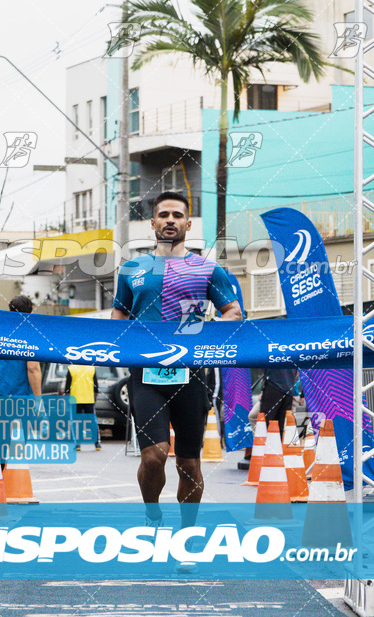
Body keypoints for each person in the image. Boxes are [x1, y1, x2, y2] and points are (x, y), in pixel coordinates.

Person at [111, 191, 242, 531]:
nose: (170, 220)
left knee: (188, 464)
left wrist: (205, 334)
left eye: (177, 215)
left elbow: (233, 313)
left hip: (192, 375)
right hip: (145, 374)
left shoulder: (208, 268)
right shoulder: (132, 268)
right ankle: (152, 513)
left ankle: (187, 532)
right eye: (164, 214)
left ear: (187, 223)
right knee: (154, 456)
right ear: (152, 223)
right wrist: (116, 342)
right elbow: (118, 315)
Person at [0, 294, 41, 466]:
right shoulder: (29, 333)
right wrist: (38, 400)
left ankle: (1, 481)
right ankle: (14, 483)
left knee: (2, 442)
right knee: (18, 445)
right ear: (29, 313)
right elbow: (33, 368)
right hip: (20, 397)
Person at [65, 364, 102, 451]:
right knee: (92, 421)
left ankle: (77, 444)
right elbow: (96, 387)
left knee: (76, 422)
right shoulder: (91, 368)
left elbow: (68, 387)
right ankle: (97, 443)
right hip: (89, 398)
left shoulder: (71, 369)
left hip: (75, 399)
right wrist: (95, 398)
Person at [259, 368, 299, 439]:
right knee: (282, 424)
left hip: (274, 386)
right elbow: (297, 374)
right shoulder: (293, 357)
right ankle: (278, 446)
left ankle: (267, 446)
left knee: (267, 421)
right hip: (288, 389)